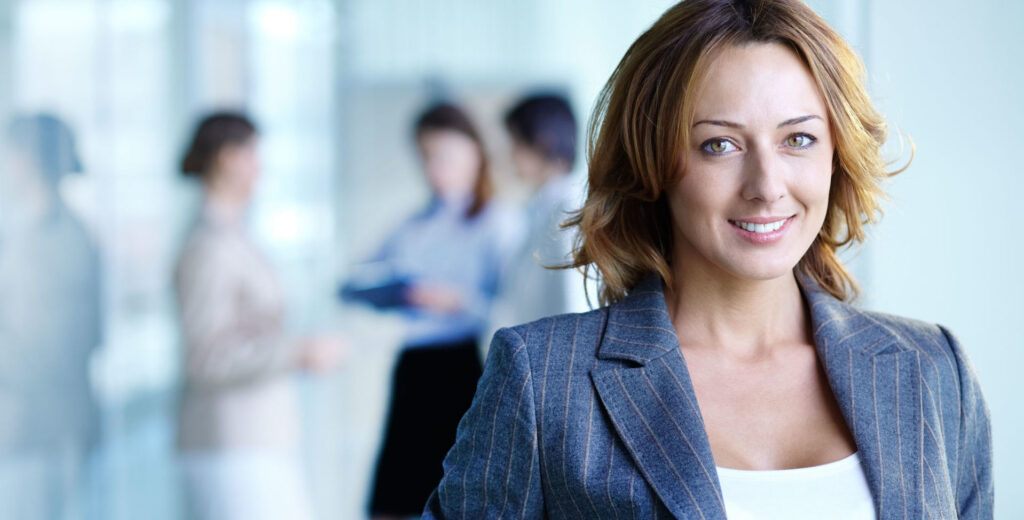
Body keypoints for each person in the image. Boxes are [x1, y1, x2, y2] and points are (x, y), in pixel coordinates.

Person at [424, 1, 992, 519]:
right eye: (718, 144)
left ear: (837, 155)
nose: (767, 186)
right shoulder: (543, 379)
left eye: (798, 139)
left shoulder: (931, 368)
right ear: (652, 164)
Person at [345, 102, 512, 520]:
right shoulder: (414, 225)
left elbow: (513, 313)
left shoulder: (499, 224)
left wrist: (458, 301)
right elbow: (351, 284)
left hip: (469, 370)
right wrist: (399, 294)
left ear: (475, 153)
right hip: (416, 367)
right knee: (395, 498)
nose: (434, 170)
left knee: (459, 498)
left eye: (444, 157)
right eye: (425, 158)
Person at [174, 112, 344, 520]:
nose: (260, 168)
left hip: (259, 439)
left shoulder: (235, 235)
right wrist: (296, 353)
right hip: (231, 442)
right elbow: (205, 357)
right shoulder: (208, 247)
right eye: (254, 155)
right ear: (228, 159)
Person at [0, 113, 103, 520]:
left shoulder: (54, 239)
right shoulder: (27, 231)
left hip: (40, 430)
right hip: (38, 427)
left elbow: (48, 347)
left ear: (25, 159)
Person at [487, 93, 585, 337]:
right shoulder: (541, 210)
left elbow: (571, 306)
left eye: (516, 144)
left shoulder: (569, 211)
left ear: (543, 142)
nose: (510, 156)